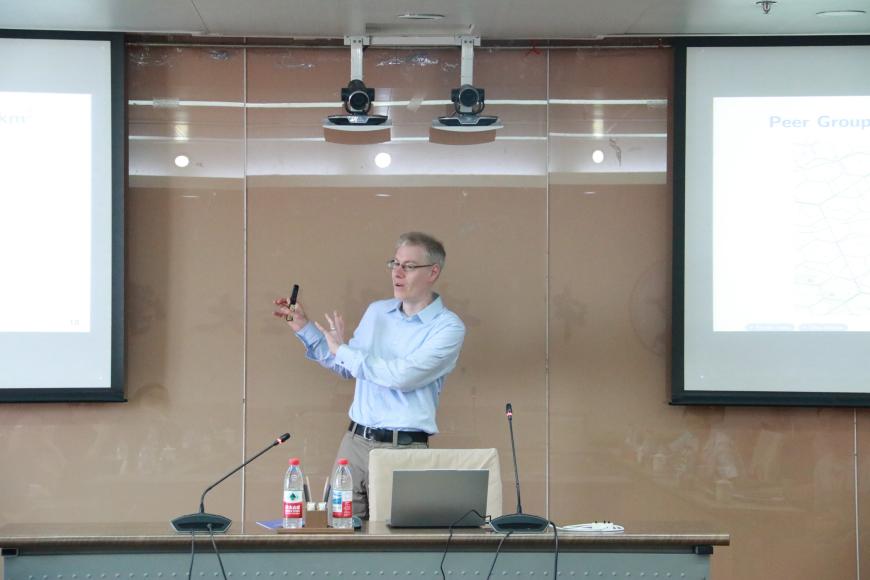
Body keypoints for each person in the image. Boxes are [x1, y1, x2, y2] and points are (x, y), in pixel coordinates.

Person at [273, 232, 466, 518]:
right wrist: (302, 325)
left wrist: (344, 351)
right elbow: (345, 366)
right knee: (338, 531)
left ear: (433, 272)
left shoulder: (448, 327)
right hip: (354, 444)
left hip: (402, 451)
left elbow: (402, 377)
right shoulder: (377, 312)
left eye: (409, 266)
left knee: (393, 538)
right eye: (395, 263)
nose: (397, 273)